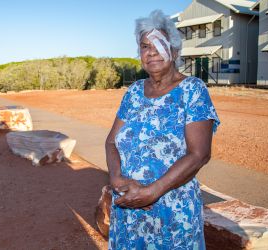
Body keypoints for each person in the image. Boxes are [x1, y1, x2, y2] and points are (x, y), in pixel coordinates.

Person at [105, 10, 220, 249]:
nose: (152, 51)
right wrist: (117, 180)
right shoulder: (134, 92)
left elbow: (199, 154)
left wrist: (152, 191)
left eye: (159, 44)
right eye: (145, 46)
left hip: (172, 210)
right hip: (128, 207)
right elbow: (111, 142)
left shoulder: (192, 90)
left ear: (175, 51)